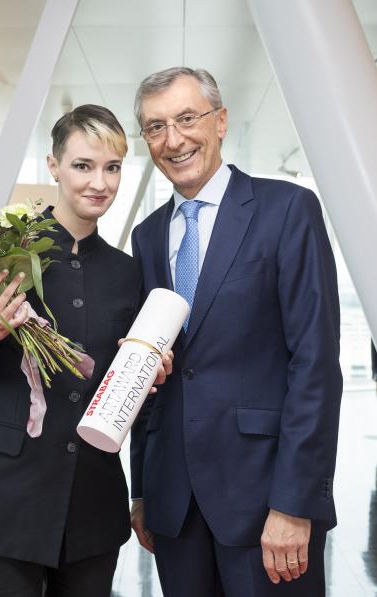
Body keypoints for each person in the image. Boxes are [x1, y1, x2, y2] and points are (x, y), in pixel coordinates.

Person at [0, 105, 172, 597]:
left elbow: (142, 404)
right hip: (0, 499)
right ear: (53, 165)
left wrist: (149, 374)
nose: (99, 183)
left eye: (112, 167)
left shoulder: (129, 273)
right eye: (83, 166)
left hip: (92, 506)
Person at [129, 67, 342, 596]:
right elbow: (148, 370)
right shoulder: (148, 235)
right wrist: (142, 490)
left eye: (186, 119)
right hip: (174, 504)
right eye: (155, 127)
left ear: (220, 121)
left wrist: (294, 503)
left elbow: (314, 364)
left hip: (264, 501)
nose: (173, 140)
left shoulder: (287, 209)